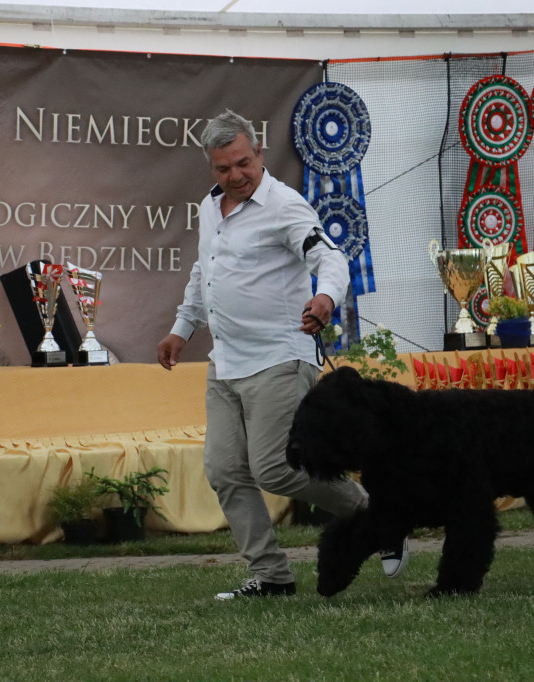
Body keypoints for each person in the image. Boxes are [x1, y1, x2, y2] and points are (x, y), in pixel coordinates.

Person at [156, 109, 408, 600]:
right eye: (224, 168)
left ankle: (378, 518)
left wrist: (326, 298)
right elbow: (203, 274)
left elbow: (328, 256)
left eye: (243, 163)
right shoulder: (210, 208)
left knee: (274, 467)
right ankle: (272, 577)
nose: (236, 175)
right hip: (225, 363)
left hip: (279, 357)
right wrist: (181, 329)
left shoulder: (285, 205)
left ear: (259, 155)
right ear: (211, 168)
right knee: (225, 470)